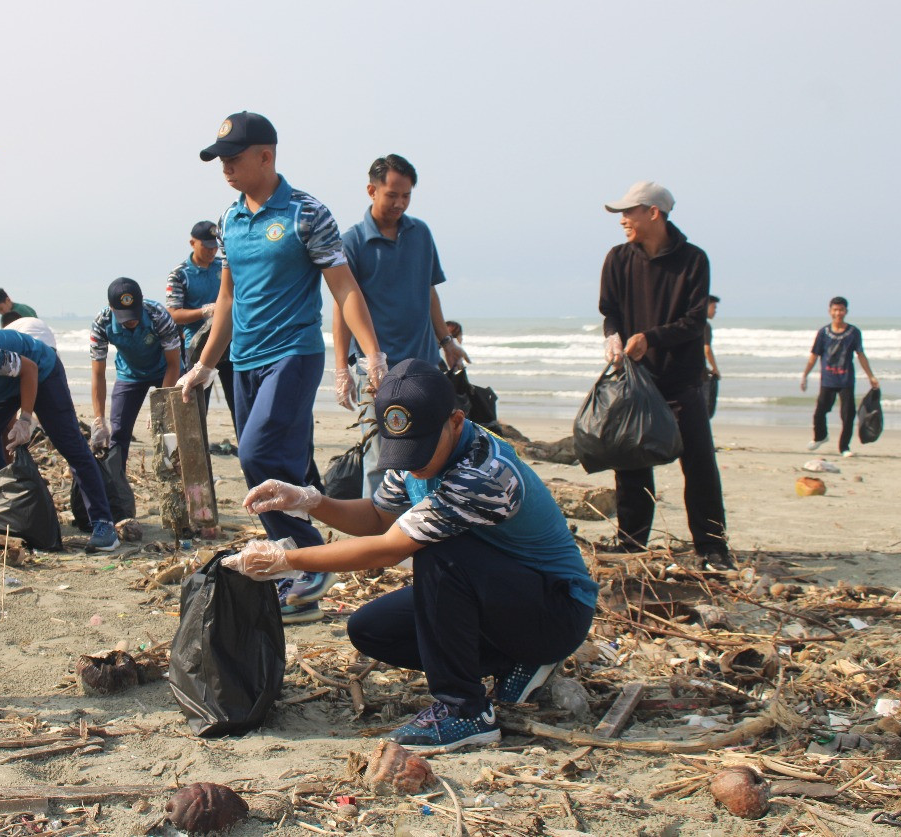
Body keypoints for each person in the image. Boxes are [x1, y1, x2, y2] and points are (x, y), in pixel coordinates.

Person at [225, 359, 596, 750]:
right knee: (371, 629)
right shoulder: (412, 454)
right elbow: (376, 517)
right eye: (403, 452)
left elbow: (389, 548)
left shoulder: (484, 474)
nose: (412, 465)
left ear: (455, 421)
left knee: (438, 552)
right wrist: (309, 500)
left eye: (420, 451)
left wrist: (288, 560)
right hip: (496, 596)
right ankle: (515, 661)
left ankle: (465, 711)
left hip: (555, 610)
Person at [179, 111, 386, 624]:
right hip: (245, 359)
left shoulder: (305, 213)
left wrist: (372, 354)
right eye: (219, 159)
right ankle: (301, 573)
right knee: (273, 465)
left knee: (255, 451)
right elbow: (226, 298)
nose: (224, 167)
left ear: (266, 156)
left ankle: (308, 558)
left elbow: (343, 287)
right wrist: (206, 365)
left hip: (293, 353)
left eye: (233, 157)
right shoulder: (228, 220)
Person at [598, 181, 733, 571]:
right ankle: (632, 541)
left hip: (682, 380)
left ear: (653, 213)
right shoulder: (618, 258)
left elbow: (694, 322)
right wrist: (614, 338)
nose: (622, 220)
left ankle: (712, 546)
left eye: (629, 211)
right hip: (634, 377)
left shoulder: (694, 260)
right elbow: (610, 312)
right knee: (630, 460)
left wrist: (650, 337)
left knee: (699, 463)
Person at [334, 154, 469, 497]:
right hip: (375, 370)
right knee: (379, 457)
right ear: (371, 190)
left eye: (406, 195)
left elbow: (429, 292)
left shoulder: (420, 233)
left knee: (429, 450)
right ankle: (379, 536)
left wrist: (447, 342)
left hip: (423, 365)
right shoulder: (351, 242)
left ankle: (421, 522)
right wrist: (341, 369)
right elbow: (341, 309)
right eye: (392, 194)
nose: (399, 203)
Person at [0, 328, 118, 551]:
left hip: (41, 372)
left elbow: (29, 369)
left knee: (70, 445)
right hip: (1, 387)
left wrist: (25, 418)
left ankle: (103, 524)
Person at [88, 277, 182, 471]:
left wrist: (160, 404)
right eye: (124, 316)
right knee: (118, 432)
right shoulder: (101, 323)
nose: (130, 321)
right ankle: (116, 481)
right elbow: (98, 374)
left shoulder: (158, 315)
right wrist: (99, 420)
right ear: (111, 308)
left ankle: (173, 475)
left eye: (134, 314)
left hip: (164, 370)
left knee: (170, 429)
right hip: (130, 374)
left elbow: (174, 364)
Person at [165, 220, 235, 425]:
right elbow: (173, 314)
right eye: (206, 246)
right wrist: (204, 311)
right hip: (197, 349)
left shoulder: (224, 268)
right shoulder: (180, 274)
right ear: (192, 243)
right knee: (195, 408)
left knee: (239, 405)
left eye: (215, 247)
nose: (212, 251)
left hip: (231, 345)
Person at [800, 296, 879, 457]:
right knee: (820, 411)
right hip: (828, 380)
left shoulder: (853, 332)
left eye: (841, 309)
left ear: (846, 311)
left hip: (846, 380)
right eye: (835, 310)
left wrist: (871, 376)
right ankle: (820, 436)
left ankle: (844, 447)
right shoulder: (823, 333)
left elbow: (861, 355)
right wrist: (805, 375)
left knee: (847, 415)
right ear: (830, 311)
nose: (838, 313)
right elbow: (814, 356)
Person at [703, 295, 721, 418]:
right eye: (713, 307)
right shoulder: (705, 325)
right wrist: (715, 369)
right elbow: (707, 349)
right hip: (698, 375)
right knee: (703, 410)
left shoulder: (692, 324)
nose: (715, 311)